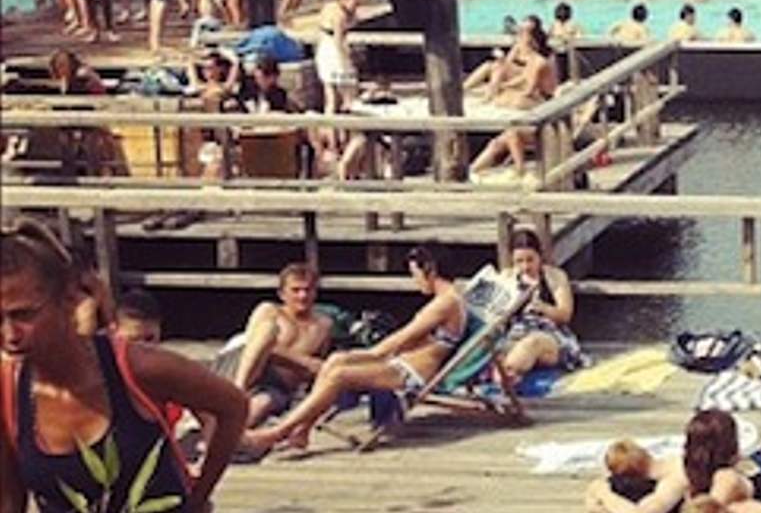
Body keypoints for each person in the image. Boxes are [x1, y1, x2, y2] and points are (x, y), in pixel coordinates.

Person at [1, 216, 248, 513]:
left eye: (24, 315)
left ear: (68, 299)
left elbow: (233, 406)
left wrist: (199, 495)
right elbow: (9, 499)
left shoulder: (135, 367)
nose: (10, 335)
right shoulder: (9, 390)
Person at [243, 245, 467, 454]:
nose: (415, 281)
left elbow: (396, 341)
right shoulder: (448, 299)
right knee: (336, 360)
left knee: (339, 374)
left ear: (430, 270)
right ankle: (302, 430)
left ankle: (275, 433)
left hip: (410, 373)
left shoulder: (444, 304)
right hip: (399, 364)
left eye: (415, 274)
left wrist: (366, 354)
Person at [232, 262, 336, 426]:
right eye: (296, 290)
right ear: (282, 294)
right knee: (268, 330)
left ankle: (227, 435)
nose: (302, 296)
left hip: (276, 387)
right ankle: (236, 393)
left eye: (308, 290)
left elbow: (315, 370)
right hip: (243, 371)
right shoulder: (269, 311)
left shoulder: (323, 325)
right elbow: (254, 345)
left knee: (262, 405)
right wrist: (304, 362)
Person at [470, 18, 561, 177]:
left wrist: (506, 91)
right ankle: (471, 171)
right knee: (497, 142)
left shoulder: (539, 62)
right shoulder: (529, 57)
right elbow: (520, 77)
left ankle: (520, 171)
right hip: (530, 103)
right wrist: (503, 86)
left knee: (511, 130)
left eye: (523, 35)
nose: (520, 39)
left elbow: (529, 89)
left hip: (544, 108)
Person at [499, 228, 584, 389]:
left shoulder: (554, 276)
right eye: (519, 261)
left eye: (530, 260)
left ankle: (507, 373)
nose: (525, 266)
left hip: (548, 336)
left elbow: (565, 315)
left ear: (540, 256)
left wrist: (543, 308)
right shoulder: (507, 277)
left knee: (532, 343)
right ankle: (507, 374)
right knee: (496, 348)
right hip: (515, 334)